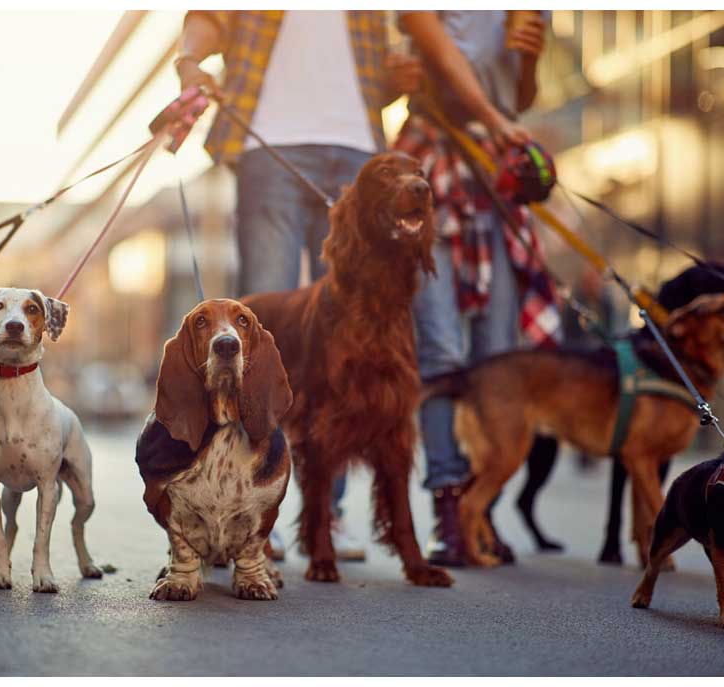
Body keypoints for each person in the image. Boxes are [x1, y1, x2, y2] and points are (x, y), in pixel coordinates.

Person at [175, 10, 404, 562]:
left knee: (344, 342)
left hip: (358, 149)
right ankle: (253, 508)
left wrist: (406, 75)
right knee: (259, 334)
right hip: (267, 142)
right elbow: (209, 17)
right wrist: (188, 62)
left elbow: (391, 61)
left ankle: (328, 512)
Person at [391, 11, 562, 566]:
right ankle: (447, 504)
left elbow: (522, 94)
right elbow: (439, 54)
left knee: (498, 361)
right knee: (440, 350)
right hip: (436, 158)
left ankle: (479, 505)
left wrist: (530, 58)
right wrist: (496, 119)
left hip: (496, 172)